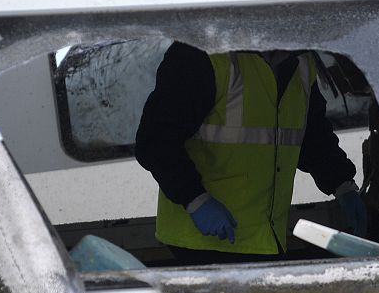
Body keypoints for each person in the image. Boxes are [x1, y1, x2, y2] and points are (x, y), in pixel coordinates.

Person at [135, 41, 366, 265]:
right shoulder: (203, 56)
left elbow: (312, 135)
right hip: (201, 244)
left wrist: (342, 184)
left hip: (265, 240)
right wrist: (195, 200)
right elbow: (155, 141)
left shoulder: (301, 63)